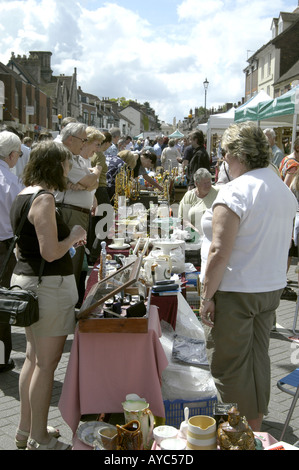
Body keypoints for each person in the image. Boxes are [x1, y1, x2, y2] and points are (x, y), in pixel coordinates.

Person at [199, 122, 297, 432]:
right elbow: (284, 246)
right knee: (258, 358)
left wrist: (206, 297)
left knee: (229, 366)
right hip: (269, 288)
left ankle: (235, 429)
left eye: (225, 154)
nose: (223, 160)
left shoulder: (236, 190)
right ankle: (252, 423)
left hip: (238, 290)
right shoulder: (281, 188)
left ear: (238, 154)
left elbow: (218, 251)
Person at [10, 140, 86, 450]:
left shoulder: (23, 195)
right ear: (54, 166)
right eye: (67, 165)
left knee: (33, 358)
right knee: (45, 364)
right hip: (46, 288)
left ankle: (26, 430)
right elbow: (51, 251)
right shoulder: (43, 199)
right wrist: (75, 235)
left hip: (31, 283)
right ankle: (39, 437)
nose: (69, 172)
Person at [54, 123, 100, 290]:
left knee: (77, 261)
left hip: (78, 213)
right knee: (71, 261)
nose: (84, 144)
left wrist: (89, 181)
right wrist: (97, 171)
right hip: (71, 212)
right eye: (83, 140)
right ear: (71, 139)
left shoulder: (74, 156)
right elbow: (90, 181)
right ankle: (68, 302)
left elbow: (91, 184)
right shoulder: (64, 155)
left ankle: (73, 299)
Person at [0, 131, 24, 373]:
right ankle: (0, 359)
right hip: (3, 248)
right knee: (1, 305)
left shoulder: (11, 181)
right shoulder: (11, 182)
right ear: (12, 154)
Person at [88, 132, 113, 263]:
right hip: (100, 189)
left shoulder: (88, 154)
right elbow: (97, 173)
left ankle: (91, 253)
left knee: (93, 223)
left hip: (92, 189)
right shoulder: (100, 155)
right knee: (106, 220)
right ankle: (95, 253)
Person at [178, 168, 219, 236]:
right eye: (205, 183)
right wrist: (193, 230)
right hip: (194, 236)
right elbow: (183, 219)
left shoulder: (218, 192)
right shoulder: (189, 196)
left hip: (214, 235)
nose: (208, 185)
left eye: (209, 182)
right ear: (196, 183)